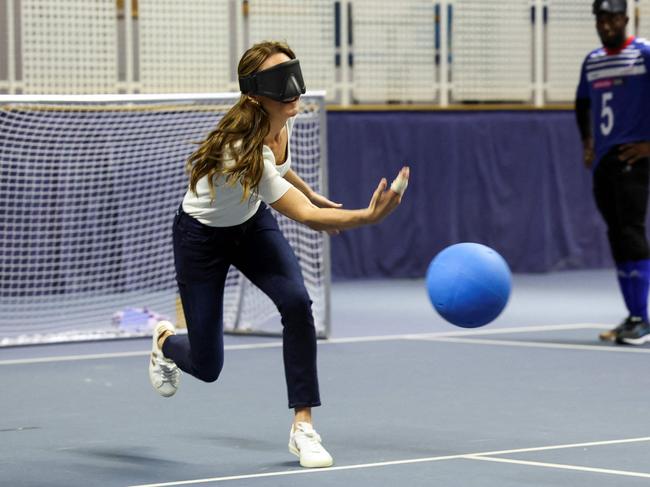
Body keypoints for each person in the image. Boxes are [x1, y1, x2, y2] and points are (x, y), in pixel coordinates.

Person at [147, 40, 410, 468]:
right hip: (202, 238)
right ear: (254, 92)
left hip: (250, 225)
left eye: (293, 76)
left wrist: (313, 193)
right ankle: (164, 342)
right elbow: (303, 216)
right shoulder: (238, 147)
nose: (293, 90)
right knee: (208, 365)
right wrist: (367, 216)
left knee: (296, 302)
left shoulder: (280, 123)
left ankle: (302, 426)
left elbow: (282, 169)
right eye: (278, 81)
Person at [575, 0, 650, 345]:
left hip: (634, 156)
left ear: (625, 18)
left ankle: (642, 319)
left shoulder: (643, 54)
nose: (606, 24)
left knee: (631, 232)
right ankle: (633, 316)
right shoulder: (593, 62)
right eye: (601, 18)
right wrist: (588, 141)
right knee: (616, 234)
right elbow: (582, 104)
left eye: (613, 18)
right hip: (605, 160)